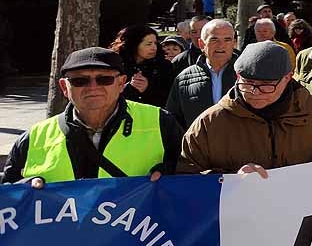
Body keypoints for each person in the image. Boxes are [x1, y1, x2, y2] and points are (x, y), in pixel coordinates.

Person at [2, 47, 182, 185]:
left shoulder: (161, 123)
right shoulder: (34, 138)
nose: (93, 87)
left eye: (104, 79)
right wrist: (25, 189)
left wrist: (170, 176)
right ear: (65, 88)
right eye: (80, 81)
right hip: (66, 234)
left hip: (140, 232)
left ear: (121, 83)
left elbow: (192, 174)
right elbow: (9, 198)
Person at [178, 41, 312, 175]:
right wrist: (229, 180)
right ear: (237, 76)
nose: (255, 92)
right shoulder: (210, 123)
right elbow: (186, 177)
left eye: (266, 85)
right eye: (247, 83)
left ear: (287, 78)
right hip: (238, 220)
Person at [165, 19, 238, 130]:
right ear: (201, 44)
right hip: (198, 145)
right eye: (214, 39)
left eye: (227, 40)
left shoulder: (247, 76)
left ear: (234, 43)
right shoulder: (183, 79)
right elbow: (173, 121)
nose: (221, 45)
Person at [111, 24, 175, 107]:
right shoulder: (116, 66)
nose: (154, 48)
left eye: (155, 43)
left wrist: (148, 88)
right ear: (134, 45)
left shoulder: (164, 66)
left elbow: (170, 96)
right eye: (149, 44)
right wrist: (130, 88)